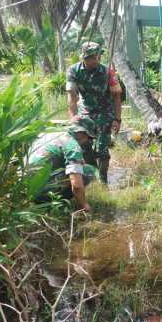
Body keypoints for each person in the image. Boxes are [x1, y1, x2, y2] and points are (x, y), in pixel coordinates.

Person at [66, 41, 123, 184]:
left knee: (102, 150)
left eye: (97, 56)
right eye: (91, 57)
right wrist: (73, 117)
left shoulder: (107, 71)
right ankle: (92, 177)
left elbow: (117, 95)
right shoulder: (73, 71)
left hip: (105, 113)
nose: (96, 60)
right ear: (84, 58)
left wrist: (117, 119)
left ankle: (103, 180)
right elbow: (72, 97)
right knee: (83, 144)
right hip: (85, 112)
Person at [27, 116, 99, 212]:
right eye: (89, 138)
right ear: (81, 133)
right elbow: (76, 185)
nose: (88, 141)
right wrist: (85, 206)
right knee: (90, 171)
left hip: (23, 187)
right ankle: (51, 203)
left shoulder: (50, 132)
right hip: (38, 192)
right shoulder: (72, 145)